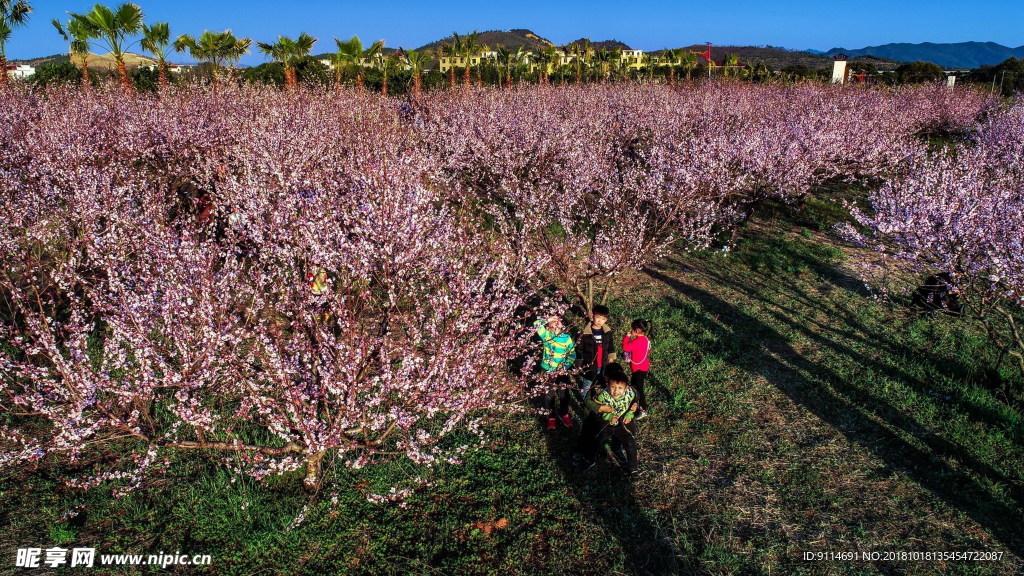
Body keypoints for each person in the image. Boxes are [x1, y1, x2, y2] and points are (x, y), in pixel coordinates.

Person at [592, 365, 641, 477]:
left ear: (626, 388)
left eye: (620, 388)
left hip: (621, 424)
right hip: (607, 424)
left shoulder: (631, 393)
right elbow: (597, 409)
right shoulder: (602, 396)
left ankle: (633, 468)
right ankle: (588, 459)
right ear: (607, 384)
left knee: (630, 443)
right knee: (595, 440)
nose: (616, 391)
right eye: (613, 387)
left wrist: (630, 413)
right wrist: (608, 416)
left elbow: (634, 401)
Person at [533, 315, 577, 430]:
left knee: (564, 394)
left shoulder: (567, 338)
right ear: (548, 327)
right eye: (554, 322)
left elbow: (572, 355)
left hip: (561, 371)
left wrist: (565, 366)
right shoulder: (547, 336)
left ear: (563, 326)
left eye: (559, 321)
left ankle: (564, 413)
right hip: (547, 370)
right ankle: (551, 416)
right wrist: (549, 319)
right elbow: (536, 324)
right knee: (549, 395)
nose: (557, 323)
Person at [576, 304, 615, 399]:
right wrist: (579, 362)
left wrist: (611, 358)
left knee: (604, 381)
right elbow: (579, 349)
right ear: (592, 316)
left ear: (606, 320)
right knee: (587, 383)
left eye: (603, 319)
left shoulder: (607, 332)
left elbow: (610, 345)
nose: (600, 321)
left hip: (603, 363)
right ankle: (585, 400)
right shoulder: (585, 333)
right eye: (597, 318)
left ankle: (604, 398)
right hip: (590, 363)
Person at [621, 319, 651, 419]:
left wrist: (627, 337)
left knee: (638, 389)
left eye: (632, 329)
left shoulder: (638, 341)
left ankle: (643, 408)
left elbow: (625, 347)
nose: (631, 331)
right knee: (635, 387)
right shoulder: (645, 339)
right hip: (643, 367)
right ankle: (636, 405)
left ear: (637, 330)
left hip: (638, 369)